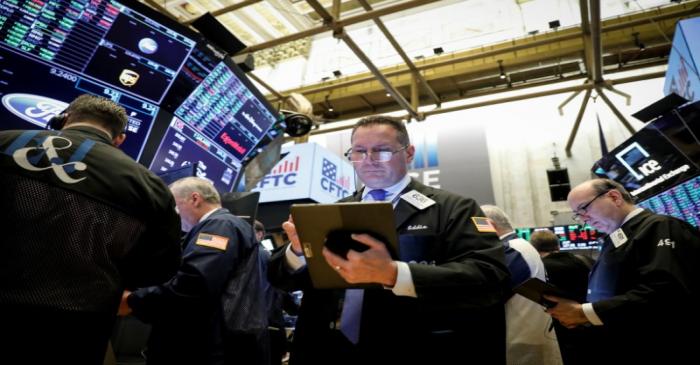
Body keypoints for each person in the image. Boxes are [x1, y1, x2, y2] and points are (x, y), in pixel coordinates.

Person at [268, 115, 510, 364]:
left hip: (410, 346)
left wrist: (396, 274)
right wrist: (297, 252)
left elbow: (489, 276)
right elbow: (279, 278)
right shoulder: (333, 211)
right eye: (359, 151)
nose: (369, 161)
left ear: (408, 153)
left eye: (382, 151)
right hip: (327, 348)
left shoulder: (453, 208)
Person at [0, 94, 182, 363]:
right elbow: (161, 269)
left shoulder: (4, 141)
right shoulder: (148, 186)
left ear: (63, 118)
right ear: (119, 139)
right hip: (74, 334)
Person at [545, 178, 700, 363]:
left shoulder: (661, 226)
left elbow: (665, 292)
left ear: (614, 196)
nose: (583, 220)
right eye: (578, 215)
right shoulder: (616, 238)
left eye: (584, 208)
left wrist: (586, 312)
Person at [121, 177, 269, 365]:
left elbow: (194, 284)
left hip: (212, 347)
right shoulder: (225, 225)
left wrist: (134, 301)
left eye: (175, 207)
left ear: (195, 199)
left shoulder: (220, 225)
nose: (173, 215)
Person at [481, 205, 562, 365]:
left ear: (489, 225)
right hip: (529, 336)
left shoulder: (510, 250)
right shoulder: (519, 246)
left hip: (521, 340)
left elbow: (488, 294)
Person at [529, 229, 593, 365]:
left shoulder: (538, 270)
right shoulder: (586, 261)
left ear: (533, 249)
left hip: (562, 330)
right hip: (591, 321)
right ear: (558, 246)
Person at [255, 220, 291, 365]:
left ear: (260, 234)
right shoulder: (268, 257)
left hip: (252, 324)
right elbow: (281, 289)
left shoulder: (262, 256)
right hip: (269, 324)